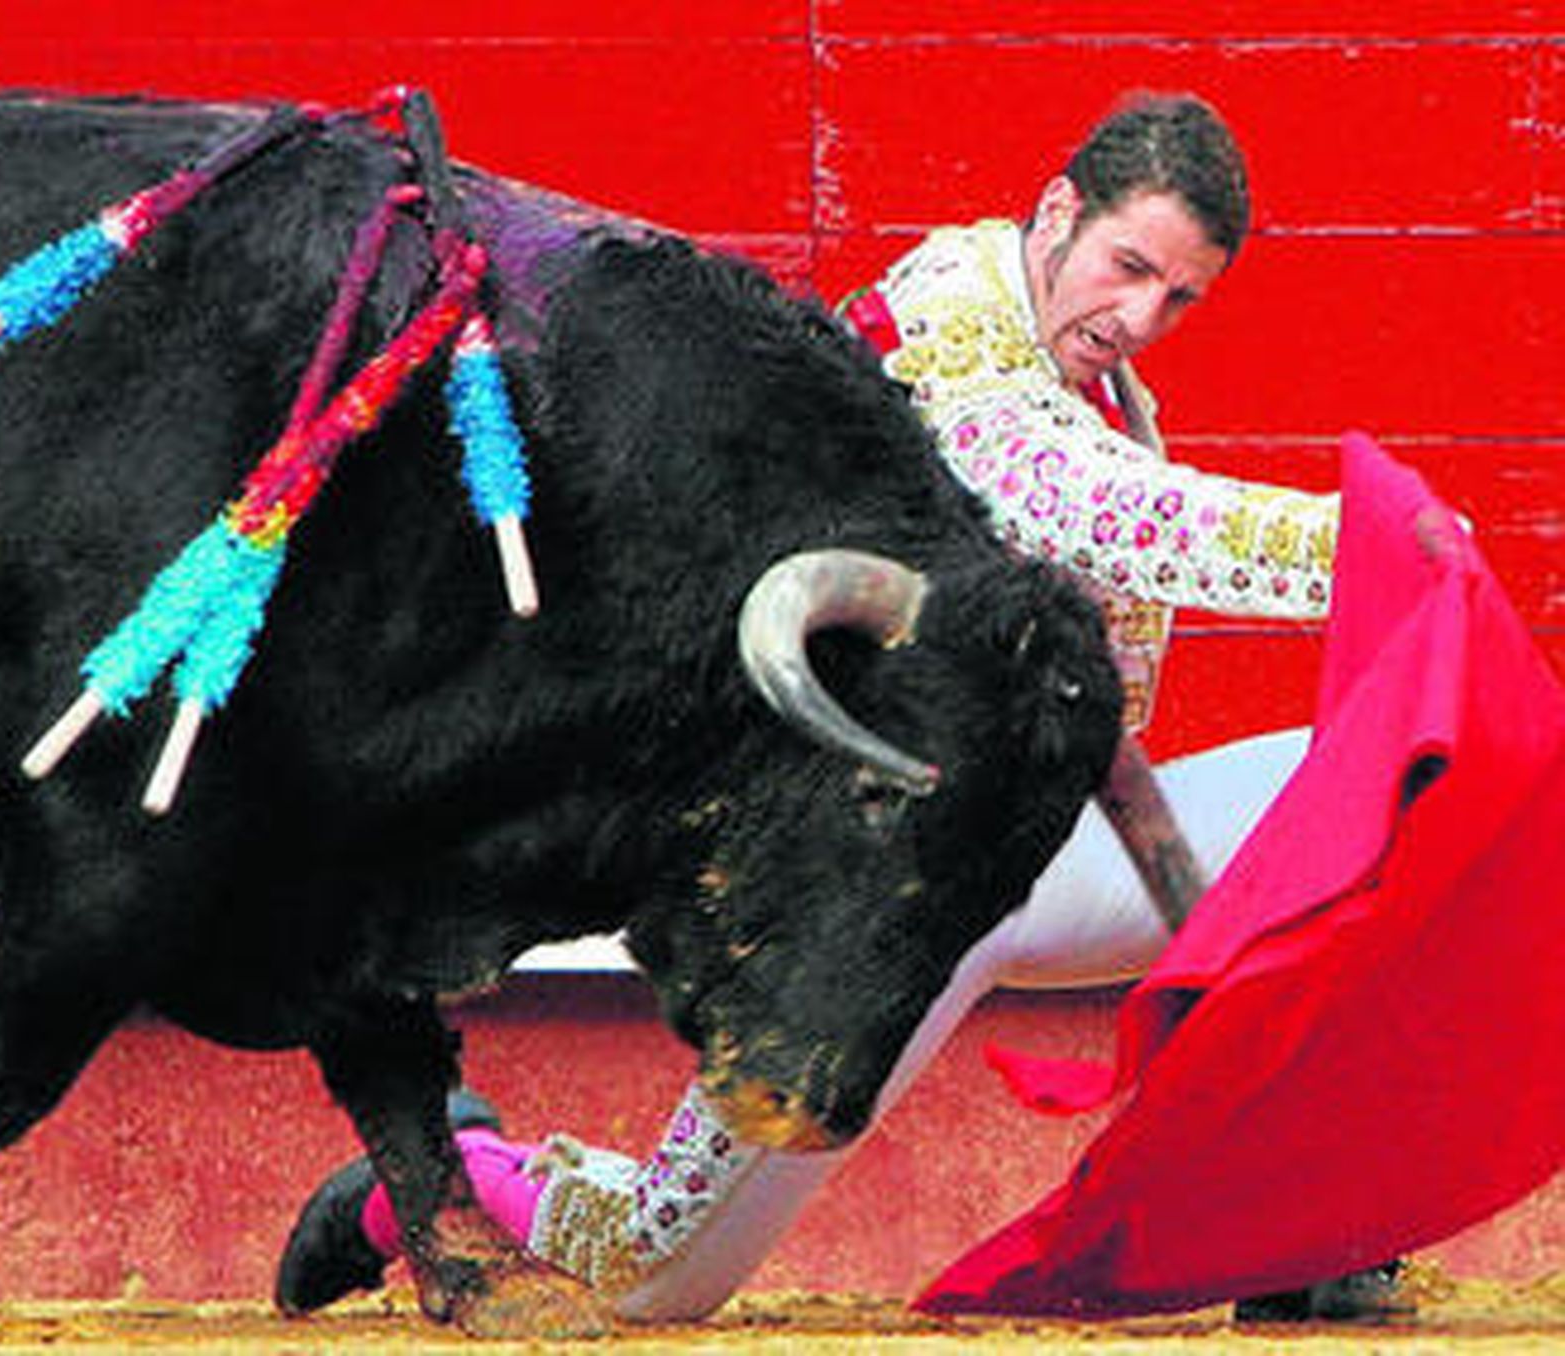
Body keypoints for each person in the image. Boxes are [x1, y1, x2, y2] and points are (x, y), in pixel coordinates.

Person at [276, 92, 1407, 1325]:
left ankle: (1291, 1228)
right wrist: (1377, 542)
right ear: (1057, 213)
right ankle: (440, 1172)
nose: (1140, 317)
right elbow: (1088, 509)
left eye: (1177, 297)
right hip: (877, 881)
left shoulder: (1091, 373)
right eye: (1128, 268)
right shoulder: (944, 326)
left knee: (1384, 787)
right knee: (657, 1270)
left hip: (1030, 847)